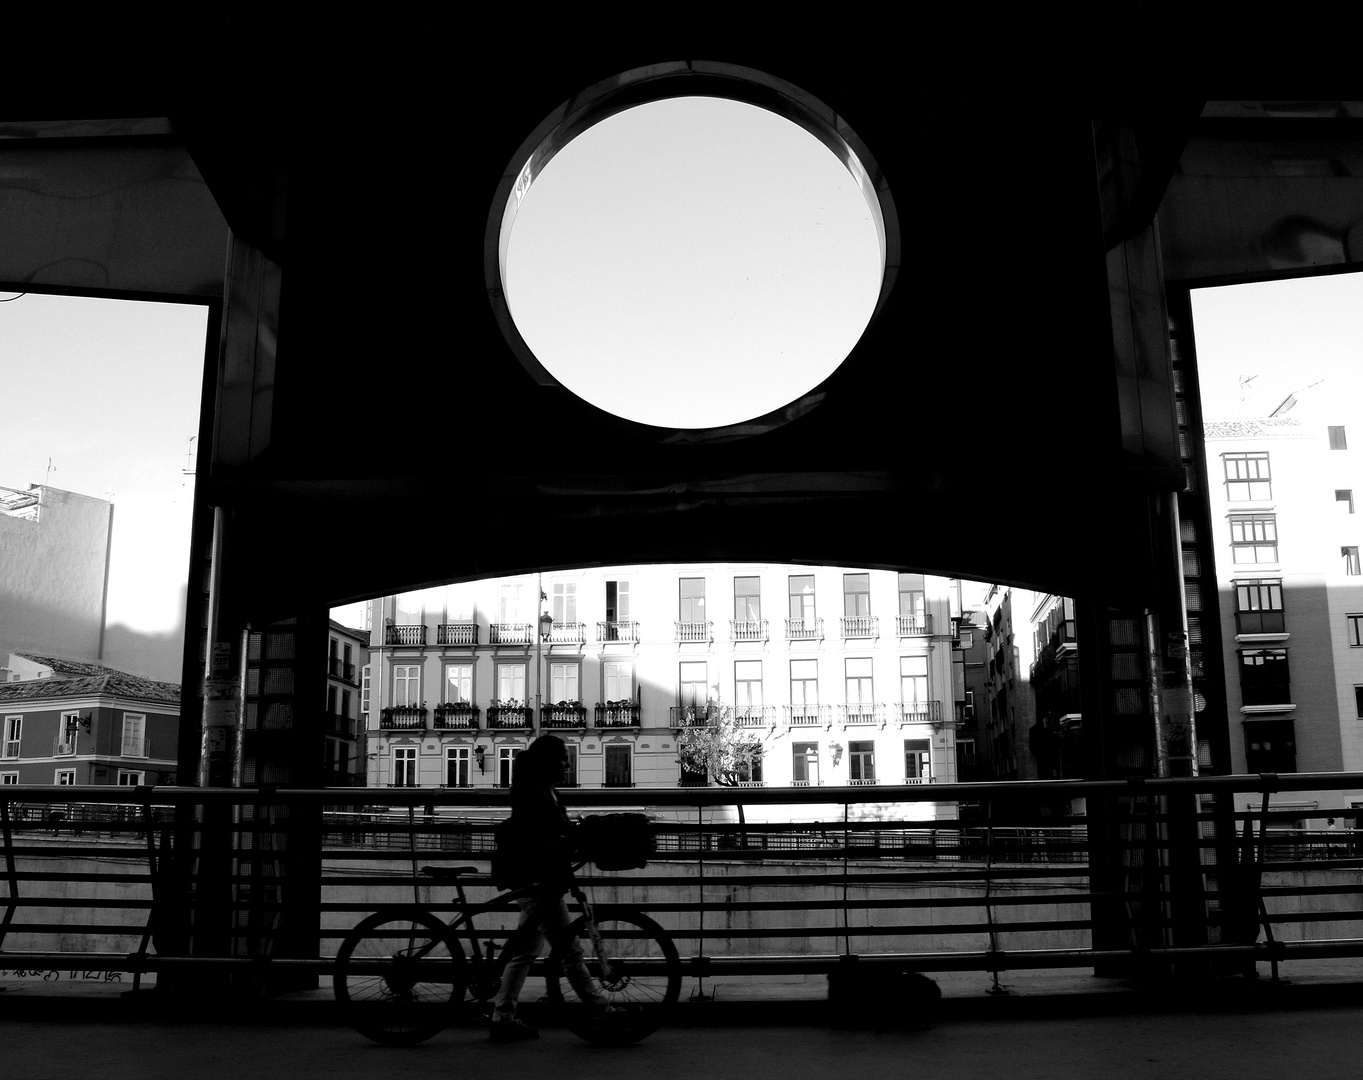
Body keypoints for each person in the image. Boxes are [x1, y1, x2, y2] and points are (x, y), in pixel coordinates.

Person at [489, 734, 612, 1042]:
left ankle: (502, 1015)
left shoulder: (542, 788)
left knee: (526, 950)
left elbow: (554, 829)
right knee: (568, 949)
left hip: (538, 875)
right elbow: (535, 833)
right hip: (536, 877)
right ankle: (602, 1009)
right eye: (563, 759)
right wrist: (563, 844)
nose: (567, 765)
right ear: (548, 761)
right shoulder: (533, 790)